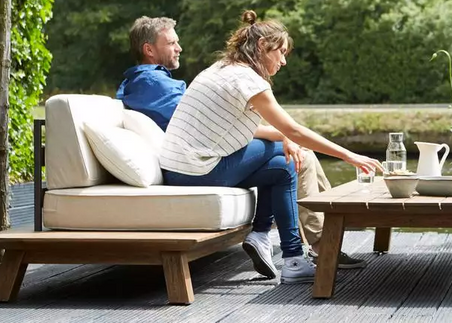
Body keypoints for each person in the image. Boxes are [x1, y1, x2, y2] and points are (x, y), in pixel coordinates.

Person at [116, 15, 364, 272]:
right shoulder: (243, 78)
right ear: (261, 47)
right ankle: (307, 243)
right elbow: (292, 129)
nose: (284, 60)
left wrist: (287, 138)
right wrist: (349, 156)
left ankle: (289, 255)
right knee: (290, 152)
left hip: (187, 166)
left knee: (282, 166)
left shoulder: (224, 68)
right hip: (194, 170)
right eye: (280, 52)